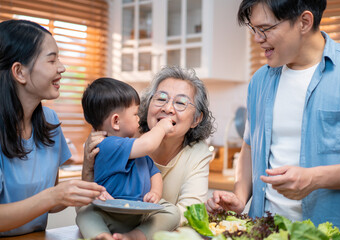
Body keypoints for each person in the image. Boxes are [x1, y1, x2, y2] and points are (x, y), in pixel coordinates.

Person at [206, 0, 340, 229]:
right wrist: (239, 195)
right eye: (253, 29)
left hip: (335, 231)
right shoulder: (259, 81)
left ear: (304, 22)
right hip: (266, 230)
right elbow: (249, 147)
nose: (257, 38)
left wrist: (314, 178)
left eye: (265, 29)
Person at [82, 66, 216, 240]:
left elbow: (189, 211)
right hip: (112, 216)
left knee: (172, 212)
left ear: (196, 119)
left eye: (181, 102)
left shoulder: (197, 152)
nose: (168, 108)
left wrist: (152, 200)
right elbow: (84, 204)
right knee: (86, 214)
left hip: (152, 229)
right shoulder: (130, 139)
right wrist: (88, 168)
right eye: (161, 99)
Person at [0, 19, 105, 236]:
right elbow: (51, 197)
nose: (62, 68)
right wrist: (54, 196)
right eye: (52, 60)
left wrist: (87, 168)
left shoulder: (49, 121)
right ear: (19, 72)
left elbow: (53, 204)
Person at [76, 77, 180, 239]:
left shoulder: (135, 148)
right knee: (86, 214)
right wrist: (162, 126)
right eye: (135, 114)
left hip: (140, 214)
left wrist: (155, 192)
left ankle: (135, 235)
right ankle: (101, 235)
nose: (139, 119)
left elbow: (155, 173)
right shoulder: (107, 145)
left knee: (172, 212)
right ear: (116, 121)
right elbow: (148, 144)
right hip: (109, 212)